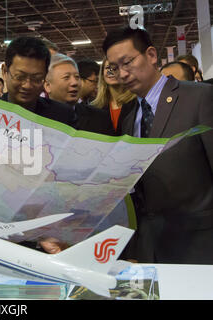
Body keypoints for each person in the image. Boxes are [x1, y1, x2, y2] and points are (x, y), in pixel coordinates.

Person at [104, 26, 213, 264]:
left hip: (200, 244)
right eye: (114, 68)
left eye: (127, 62)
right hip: (151, 247)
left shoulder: (199, 98)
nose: (122, 74)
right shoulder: (129, 116)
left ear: (151, 55)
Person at [0, 37, 79, 254]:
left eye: (36, 79)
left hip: (48, 233)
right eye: (20, 77)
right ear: (5, 71)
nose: (27, 85)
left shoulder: (61, 115)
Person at [44, 54, 114, 135]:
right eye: (66, 77)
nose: (75, 83)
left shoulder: (101, 118)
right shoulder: (33, 120)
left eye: (77, 77)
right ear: (48, 86)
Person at [91, 58, 136, 134]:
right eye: (108, 68)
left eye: (116, 68)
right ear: (102, 75)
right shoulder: (95, 106)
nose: (111, 72)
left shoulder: (138, 103)